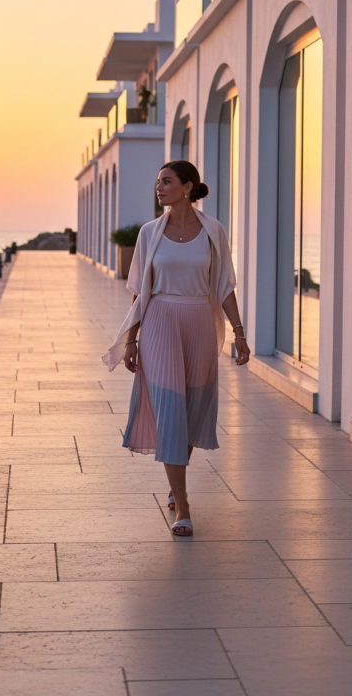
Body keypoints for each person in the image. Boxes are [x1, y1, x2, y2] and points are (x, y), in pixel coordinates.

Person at [103, 159, 250, 536]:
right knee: (170, 409)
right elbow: (139, 292)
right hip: (160, 322)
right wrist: (132, 338)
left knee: (189, 410)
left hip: (200, 322)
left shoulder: (213, 231)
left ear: (187, 188)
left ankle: (175, 484)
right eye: (157, 182)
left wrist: (239, 332)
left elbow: (224, 287)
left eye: (166, 182)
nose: (159, 188)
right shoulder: (150, 233)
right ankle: (183, 506)